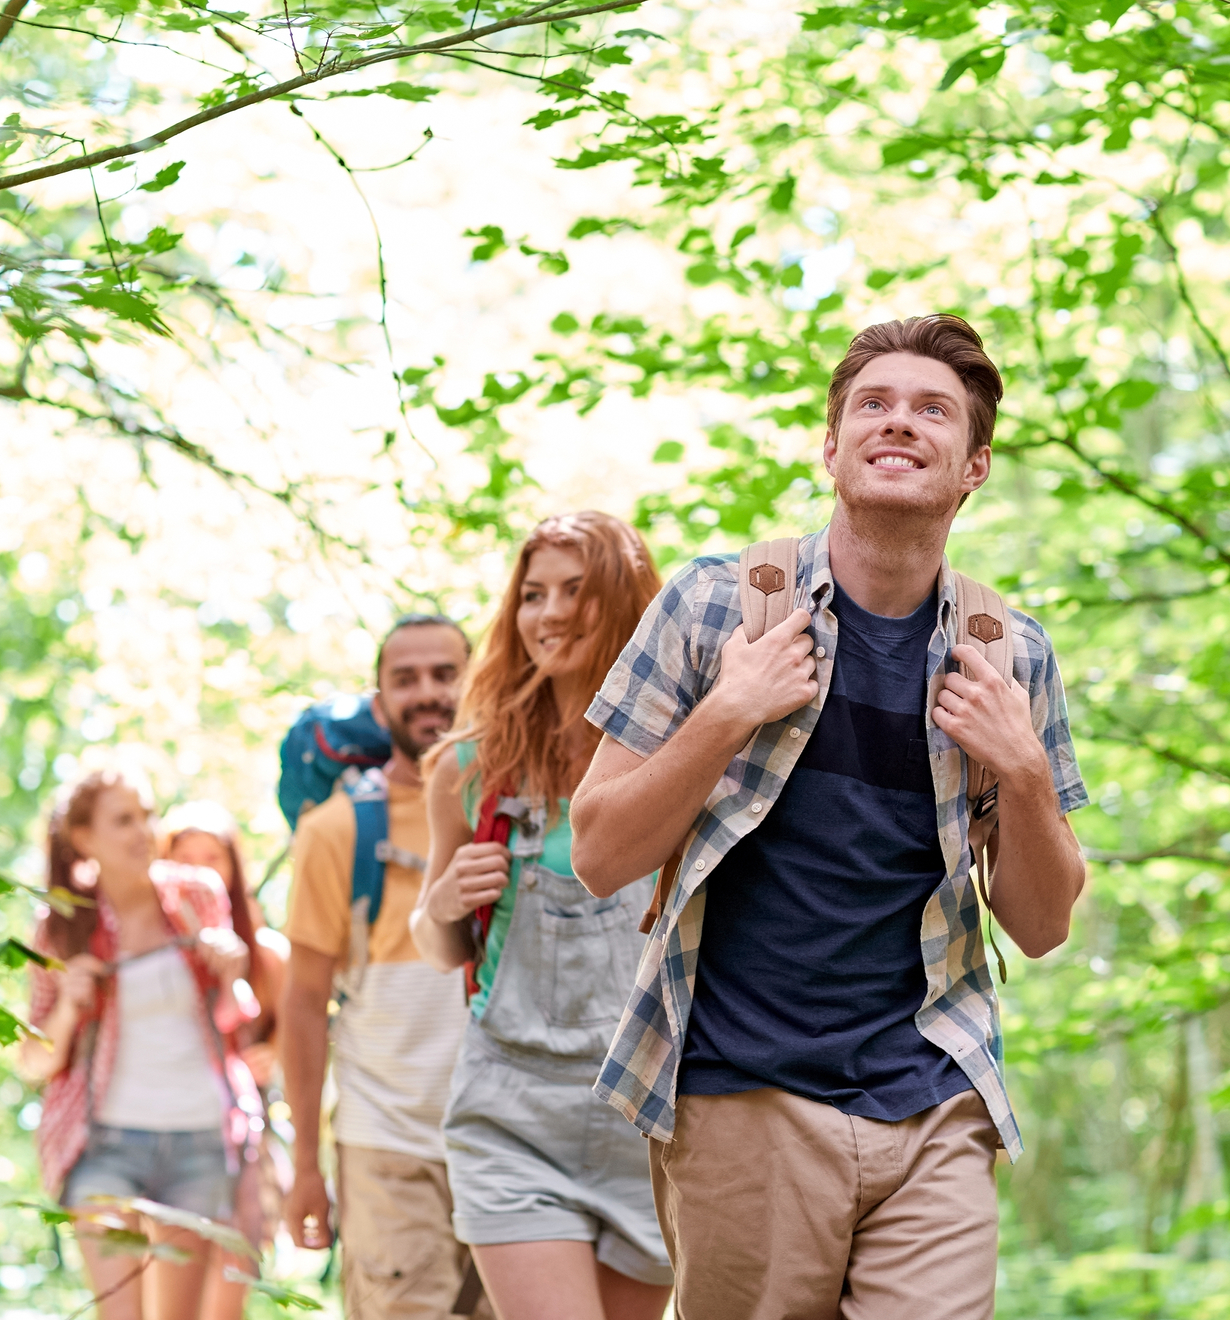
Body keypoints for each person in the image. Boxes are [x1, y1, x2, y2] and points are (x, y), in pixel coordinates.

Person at [569, 315, 1091, 1319]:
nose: (899, 423)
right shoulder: (715, 606)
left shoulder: (1007, 651)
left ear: (973, 464)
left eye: (931, 409)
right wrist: (727, 711)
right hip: (739, 1097)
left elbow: (1042, 923)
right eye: (873, 404)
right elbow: (598, 854)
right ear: (830, 445)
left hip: (931, 1094)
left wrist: (1022, 768)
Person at [410, 511, 672, 1320]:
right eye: (532, 594)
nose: (548, 613)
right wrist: (447, 898)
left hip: (647, 1116)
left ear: (626, 605)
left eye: (575, 592)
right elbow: (433, 939)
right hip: (511, 1110)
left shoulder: (680, 755)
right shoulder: (470, 766)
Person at [279, 614, 489, 1319]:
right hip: (386, 1151)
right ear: (379, 702)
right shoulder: (335, 830)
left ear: (477, 681)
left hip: (510, 1147)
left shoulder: (515, 806)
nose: (427, 693)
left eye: (444, 674)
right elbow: (304, 1004)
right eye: (405, 679)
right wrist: (306, 1168)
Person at [20, 768, 259, 1320]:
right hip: (104, 1145)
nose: (143, 831)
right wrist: (67, 1006)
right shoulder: (60, 925)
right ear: (84, 838)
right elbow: (33, 1061)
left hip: (198, 1138)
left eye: (147, 816)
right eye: (123, 820)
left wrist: (229, 969)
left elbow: (234, 1019)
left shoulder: (198, 894)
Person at [161, 801, 291, 1320]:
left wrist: (273, 1054)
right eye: (183, 856)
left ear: (234, 867)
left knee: (227, 1281)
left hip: (244, 1143)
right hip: (168, 1137)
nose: (197, 869)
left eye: (211, 857)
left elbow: (301, 1032)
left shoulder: (268, 954)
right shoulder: (153, 958)